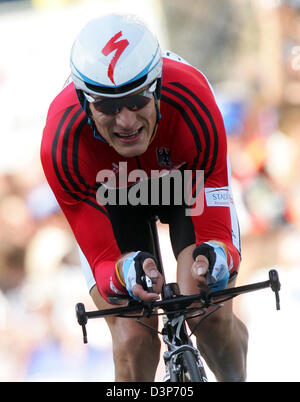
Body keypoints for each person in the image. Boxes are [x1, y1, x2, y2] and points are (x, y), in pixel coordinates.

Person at [41, 13, 248, 382]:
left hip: (185, 183)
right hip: (112, 202)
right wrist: (122, 272)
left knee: (210, 313)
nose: (124, 120)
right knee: (134, 339)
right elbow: (103, 260)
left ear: (158, 88)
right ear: (84, 101)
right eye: (106, 106)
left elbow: (218, 232)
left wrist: (218, 257)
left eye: (136, 100)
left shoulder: (193, 100)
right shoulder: (62, 143)